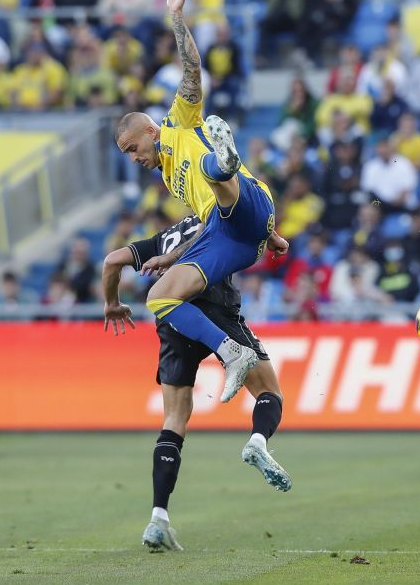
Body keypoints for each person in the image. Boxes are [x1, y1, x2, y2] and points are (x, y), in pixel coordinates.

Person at [114, 0, 288, 406]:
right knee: (160, 297)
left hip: (244, 200)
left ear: (150, 132)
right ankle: (233, 354)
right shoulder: (172, 180)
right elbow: (207, 225)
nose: (135, 159)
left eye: (134, 148)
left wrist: (176, 18)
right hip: (238, 236)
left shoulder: (177, 123)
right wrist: (173, 258)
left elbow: (192, 69)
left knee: (215, 175)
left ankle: (223, 162)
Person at [102, 215, 292, 551]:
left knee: (174, 420)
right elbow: (255, 217)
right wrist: (275, 238)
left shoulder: (162, 239)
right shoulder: (217, 217)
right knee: (268, 391)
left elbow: (112, 260)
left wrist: (112, 303)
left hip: (175, 318)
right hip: (216, 307)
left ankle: (158, 517)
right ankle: (258, 441)